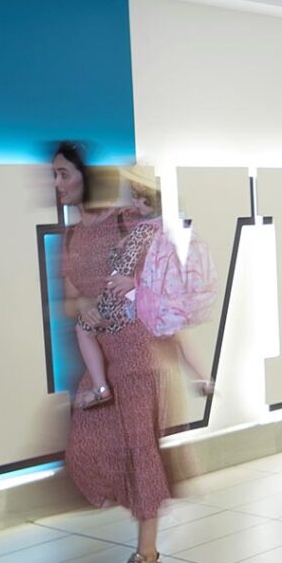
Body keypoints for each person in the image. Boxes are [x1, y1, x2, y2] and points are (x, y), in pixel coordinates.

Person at [55, 142, 180, 563]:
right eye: (54, 175)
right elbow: (71, 300)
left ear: (86, 176)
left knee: (140, 447)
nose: (57, 184)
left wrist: (133, 286)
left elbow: (165, 274)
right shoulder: (71, 236)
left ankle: (148, 555)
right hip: (100, 355)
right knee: (85, 447)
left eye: (64, 173)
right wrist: (85, 306)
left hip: (134, 348)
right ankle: (141, 513)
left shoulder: (126, 221)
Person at [71, 164, 215, 401]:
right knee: (178, 335)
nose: (135, 203)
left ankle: (100, 388)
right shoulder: (173, 225)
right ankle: (204, 378)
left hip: (134, 301)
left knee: (83, 328)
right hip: (167, 301)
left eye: (140, 198)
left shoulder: (142, 232)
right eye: (134, 197)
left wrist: (121, 261)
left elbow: (125, 266)